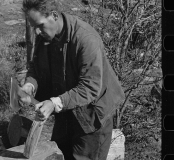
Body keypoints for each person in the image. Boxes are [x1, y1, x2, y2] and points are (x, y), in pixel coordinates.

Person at [20, 0, 125, 159]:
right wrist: (30, 84)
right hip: (66, 112)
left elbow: (89, 88)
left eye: (39, 25)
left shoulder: (85, 39)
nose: (36, 32)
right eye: (33, 27)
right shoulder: (46, 36)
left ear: (54, 15)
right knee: (58, 154)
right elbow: (36, 66)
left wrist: (53, 103)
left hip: (92, 119)